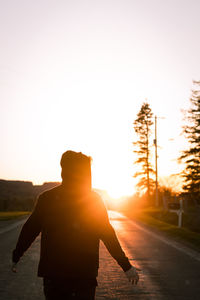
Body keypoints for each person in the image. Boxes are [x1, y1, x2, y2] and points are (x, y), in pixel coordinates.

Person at [12, 150, 140, 300]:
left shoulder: (47, 198)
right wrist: (126, 266)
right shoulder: (93, 200)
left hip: (56, 275)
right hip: (83, 274)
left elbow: (30, 230)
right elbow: (108, 235)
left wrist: (16, 256)